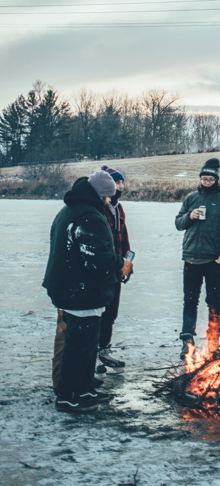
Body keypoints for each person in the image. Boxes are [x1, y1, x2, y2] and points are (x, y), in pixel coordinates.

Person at [43, 170, 133, 413]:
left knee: (87, 344)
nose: (108, 201)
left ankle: (84, 389)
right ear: (100, 195)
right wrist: (120, 263)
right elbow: (95, 259)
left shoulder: (71, 211)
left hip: (73, 289)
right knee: (79, 346)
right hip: (79, 291)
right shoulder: (88, 216)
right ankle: (68, 396)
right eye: (107, 197)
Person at [174, 158, 220, 359]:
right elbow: (178, 223)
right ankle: (187, 339)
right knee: (189, 300)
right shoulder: (191, 198)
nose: (206, 182)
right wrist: (189, 216)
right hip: (191, 257)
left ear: (216, 180)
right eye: (204, 179)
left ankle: (213, 340)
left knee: (214, 300)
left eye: (210, 179)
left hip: (213, 260)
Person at [95, 165, 131, 372]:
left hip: (117, 267)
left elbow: (123, 237)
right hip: (103, 268)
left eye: (121, 182)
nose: (120, 186)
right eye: (116, 182)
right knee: (99, 312)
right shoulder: (101, 208)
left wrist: (127, 263)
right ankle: (94, 354)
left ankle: (104, 350)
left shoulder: (119, 208)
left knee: (111, 313)